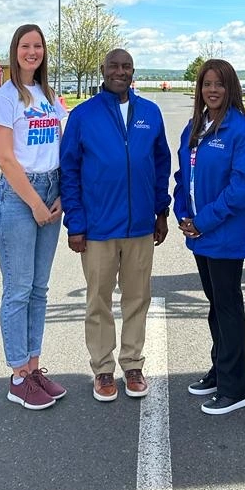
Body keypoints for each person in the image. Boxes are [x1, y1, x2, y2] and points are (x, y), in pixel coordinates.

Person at [60, 48, 171, 402]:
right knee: (99, 301)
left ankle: (133, 363)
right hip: (97, 228)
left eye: (125, 67)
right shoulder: (82, 116)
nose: (119, 72)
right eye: (113, 66)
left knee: (138, 298)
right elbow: (70, 171)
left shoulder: (150, 114)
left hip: (140, 227)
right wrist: (75, 223)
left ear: (133, 72)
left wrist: (161, 211)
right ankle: (103, 369)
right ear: (103, 71)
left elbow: (160, 165)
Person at [0, 24, 68, 411]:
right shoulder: (6, 98)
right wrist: (36, 203)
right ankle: (18, 375)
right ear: (14, 50)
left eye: (37, 46)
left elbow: (62, 148)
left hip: (52, 190)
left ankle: (34, 367)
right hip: (20, 197)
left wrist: (61, 197)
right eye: (25, 46)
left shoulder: (51, 96)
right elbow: (5, 157)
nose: (32, 52)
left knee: (40, 288)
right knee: (18, 289)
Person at [173, 59, 245, 416]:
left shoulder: (240, 129)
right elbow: (184, 175)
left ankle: (235, 387)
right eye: (207, 83)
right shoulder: (196, 126)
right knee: (215, 305)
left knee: (227, 306)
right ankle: (220, 369)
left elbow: (243, 186)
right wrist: (182, 214)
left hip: (223, 233)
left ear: (231, 88)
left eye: (220, 84)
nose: (212, 90)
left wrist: (204, 220)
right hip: (200, 232)